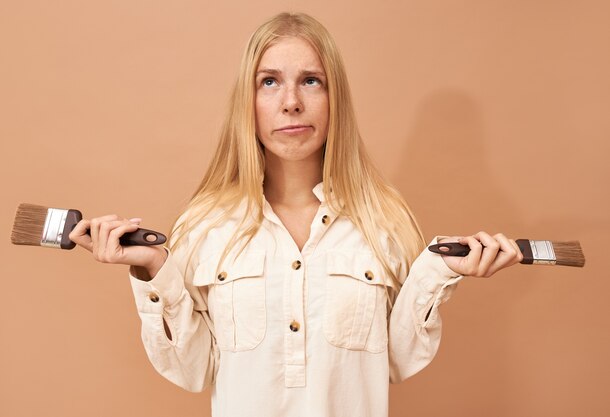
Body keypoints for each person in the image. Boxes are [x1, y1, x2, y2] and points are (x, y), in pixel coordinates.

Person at [69, 12, 523, 417]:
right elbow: (192, 372)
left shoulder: (383, 219)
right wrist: (153, 269)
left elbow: (398, 362)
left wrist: (438, 270)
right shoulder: (206, 225)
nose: (291, 102)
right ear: (248, 101)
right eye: (269, 81)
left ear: (334, 99)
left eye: (311, 80)